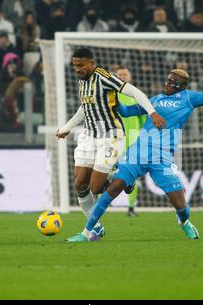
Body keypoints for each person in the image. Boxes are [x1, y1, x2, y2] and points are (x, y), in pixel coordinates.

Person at [65, 57, 203, 242]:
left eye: (173, 82)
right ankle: (87, 232)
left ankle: (183, 222)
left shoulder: (189, 98)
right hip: (137, 153)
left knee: (182, 207)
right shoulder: (153, 100)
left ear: (182, 86)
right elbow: (126, 111)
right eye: (167, 80)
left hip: (162, 158)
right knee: (111, 190)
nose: (168, 84)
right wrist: (110, 97)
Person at [55, 48, 166, 238]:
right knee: (80, 183)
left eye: (81, 65)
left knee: (96, 187)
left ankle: (123, 179)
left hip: (110, 136)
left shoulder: (105, 77)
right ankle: (95, 227)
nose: (77, 69)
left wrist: (152, 113)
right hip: (89, 136)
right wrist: (67, 127)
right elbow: (86, 107)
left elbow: (135, 92)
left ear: (92, 63)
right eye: (75, 66)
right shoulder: (82, 80)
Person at [116, 66, 147, 217]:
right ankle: (99, 206)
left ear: (130, 77)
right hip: (114, 139)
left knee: (132, 177)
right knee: (106, 174)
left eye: (124, 74)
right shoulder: (111, 94)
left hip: (132, 141)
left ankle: (131, 208)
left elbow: (143, 120)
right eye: (119, 74)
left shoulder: (136, 95)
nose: (122, 76)